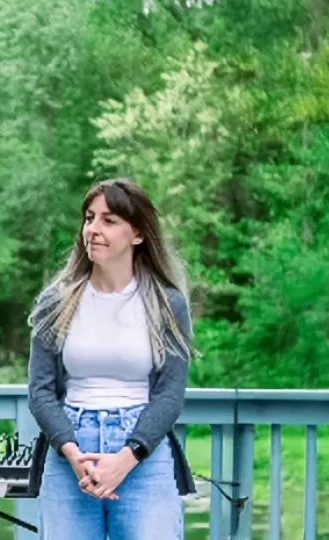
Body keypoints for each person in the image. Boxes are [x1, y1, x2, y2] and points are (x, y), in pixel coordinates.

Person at [25, 178, 196, 539]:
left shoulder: (167, 305)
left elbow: (170, 394)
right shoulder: (55, 303)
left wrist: (127, 457)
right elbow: (40, 391)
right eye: (89, 218)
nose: (93, 230)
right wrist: (72, 452)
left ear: (137, 234)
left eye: (109, 220)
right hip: (70, 451)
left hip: (141, 454)